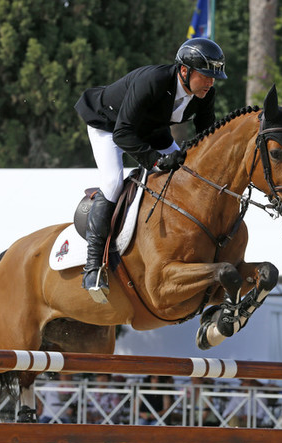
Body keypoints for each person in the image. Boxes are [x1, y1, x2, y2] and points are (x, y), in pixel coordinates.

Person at [74, 38, 227, 302]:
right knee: (112, 183)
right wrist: (155, 161)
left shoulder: (205, 94)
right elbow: (123, 133)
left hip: (151, 131)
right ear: (184, 71)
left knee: (188, 175)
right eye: (205, 76)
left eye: (214, 78)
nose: (210, 83)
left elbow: (206, 136)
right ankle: (93, 266)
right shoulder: (153, 81)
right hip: (109, 126)